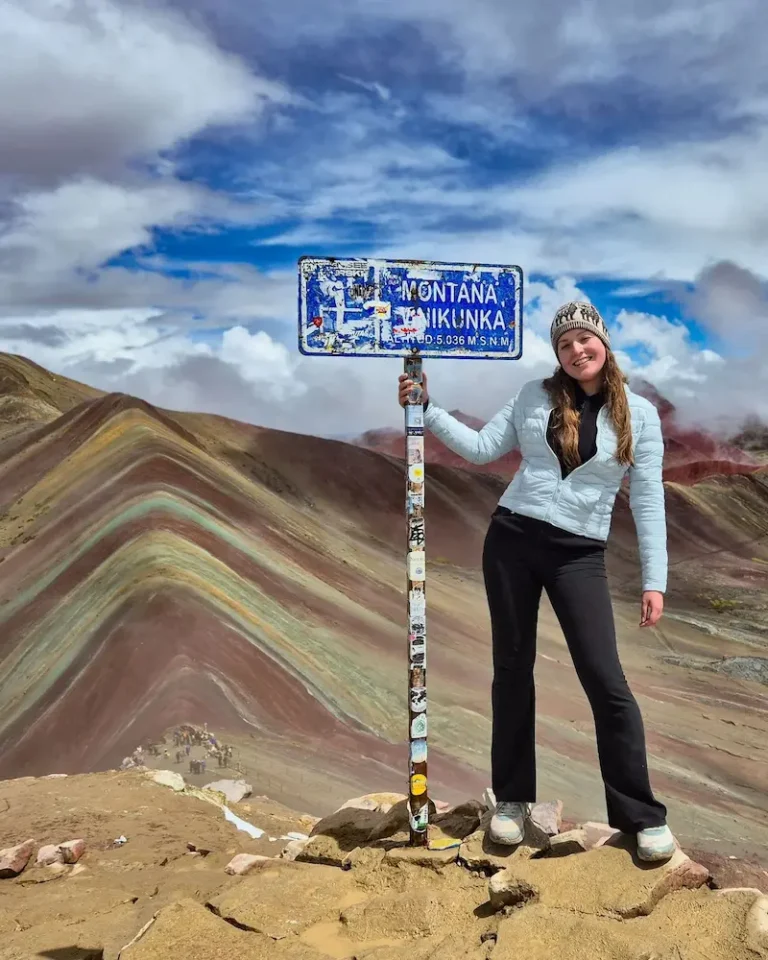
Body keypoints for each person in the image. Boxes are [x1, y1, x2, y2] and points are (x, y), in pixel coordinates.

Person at [397, 302, 675, 863]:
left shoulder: (639, 415)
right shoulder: (533, 396)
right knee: (512, 669)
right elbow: (481, 449)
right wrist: (427, 409)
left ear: (604, 342)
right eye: (565, 343)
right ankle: (512, 802)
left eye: (585, 339)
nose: (577, 350)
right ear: (557, 354)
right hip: (512, 541)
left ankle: (641, 816)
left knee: (606, 680)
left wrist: (655, 580)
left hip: (579, 555)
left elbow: (647, 500)